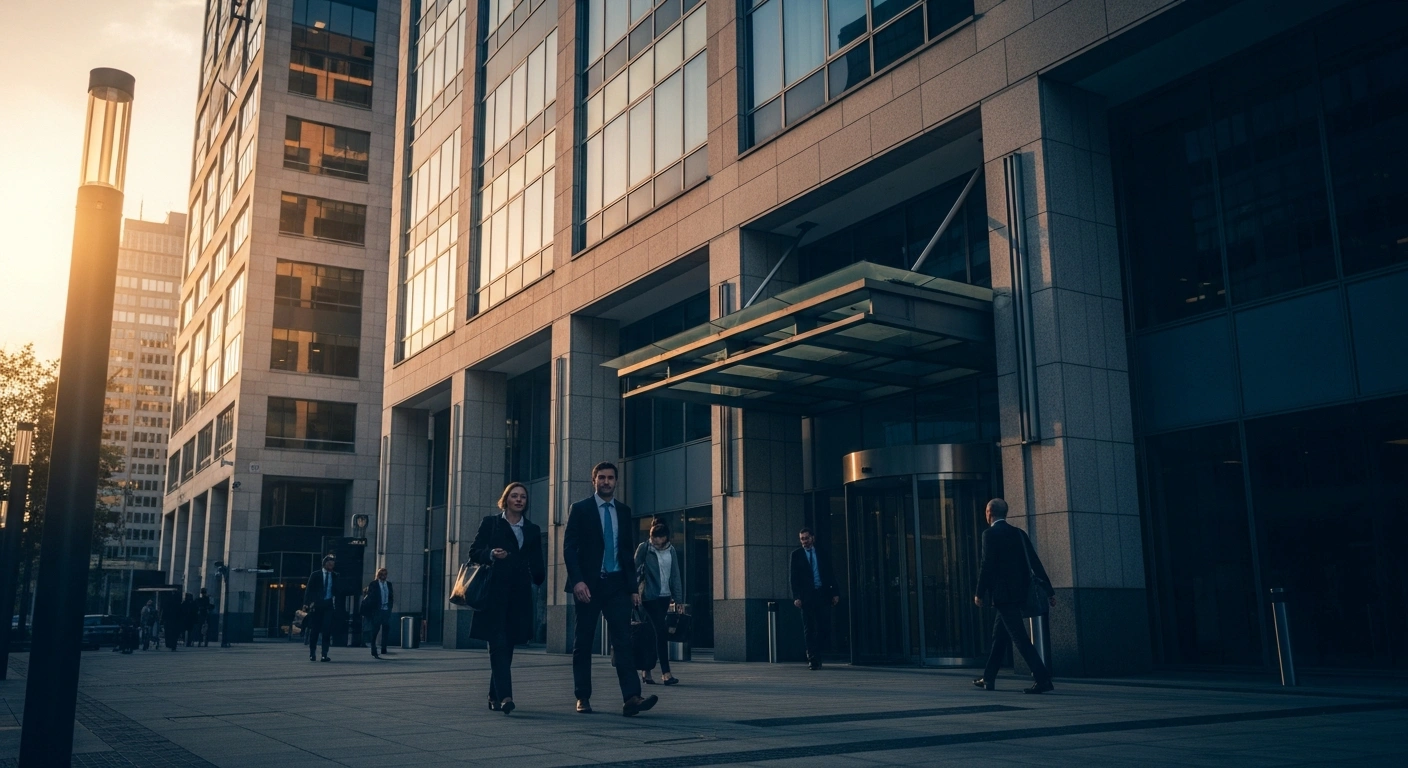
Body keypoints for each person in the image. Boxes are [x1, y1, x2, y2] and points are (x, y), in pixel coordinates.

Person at [563, 462, 658, 717]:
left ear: (616, 481)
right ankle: (582, 695)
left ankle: (632, 698)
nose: (606, 482)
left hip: (617, 585)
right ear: (593, 480)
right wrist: (578, 581)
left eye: (610, 478)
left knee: (623, 642)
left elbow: (627, 553)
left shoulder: (624, 512)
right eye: (601, 478)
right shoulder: (581, 509)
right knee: (583, 642)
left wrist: (632, 588)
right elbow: (569, 548)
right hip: (588, 586)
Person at [468, 482, 546, 715]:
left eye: (523, 496)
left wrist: (537, 579)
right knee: (498, 643)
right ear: (506, 499)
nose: (519, 500)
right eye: (514, 496)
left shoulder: (531, 529)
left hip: (519, 594)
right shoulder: (491, 523)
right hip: (493, 592)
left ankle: (493, 695)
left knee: (508, 645)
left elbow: (537, 560)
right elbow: (474, 551)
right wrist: (491, 554)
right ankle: (506, 697)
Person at [972, 498, 1055, 694]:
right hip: (1020, 595)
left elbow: (987, 565)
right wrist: (1049, 590)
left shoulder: (989, 534)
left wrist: (979, 592)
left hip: (1003, 596)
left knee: (1019, 638)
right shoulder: (1019, 534)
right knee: (999, 637)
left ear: (989, 512)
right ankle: (989, 678)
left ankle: (1043, 679)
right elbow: (1035, 562)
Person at [635, 520, 683, 686]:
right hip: (648, 596)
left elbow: (675, 575)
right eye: (652, 537)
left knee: (651, 634)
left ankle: (646, 671)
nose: (654, 540)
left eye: (657, 538)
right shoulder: (644, 548)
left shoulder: (671, 551)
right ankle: (666, 673)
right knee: (661, 632)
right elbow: (634, 570)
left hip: (664, 597)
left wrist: (679, 600)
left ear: (665, 538)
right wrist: (634, 593)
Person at [790, 528, 839, 670]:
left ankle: (815, 651)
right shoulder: (796, 555)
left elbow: (830, 574)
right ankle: (813, 657)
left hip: (822, 594)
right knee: (809, 628)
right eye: (802, 539)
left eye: (806, 538)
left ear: (813, 538)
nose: (804, 541)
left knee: (824, 627)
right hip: (806, 597)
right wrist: (796, 597)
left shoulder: (822, 554)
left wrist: (835, 593)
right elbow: (793, 579)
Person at [303, 555, 339, 662]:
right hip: (317, 605)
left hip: (328, 605)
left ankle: (324, 654)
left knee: (327, 629)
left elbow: (338, 590)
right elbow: (309, 589)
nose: (330, 566)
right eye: (329, 564)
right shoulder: (315, 575)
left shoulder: (335, 575)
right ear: (324, 564)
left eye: (332, 564)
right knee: (315, 629)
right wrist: (306, 603)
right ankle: (312, 653)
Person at [361, 568, 395, 658]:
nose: (383, 576)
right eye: (381, 574)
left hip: (386, 610)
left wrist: (390, 607)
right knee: (375, 630)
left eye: (385, 574)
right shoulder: (374, 584)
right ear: (378, 575)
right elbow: (371, 597)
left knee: (386, 629)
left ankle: (384, 647)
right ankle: (373, 647)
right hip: (377, 611)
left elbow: (391, 596)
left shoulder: (389, 584)